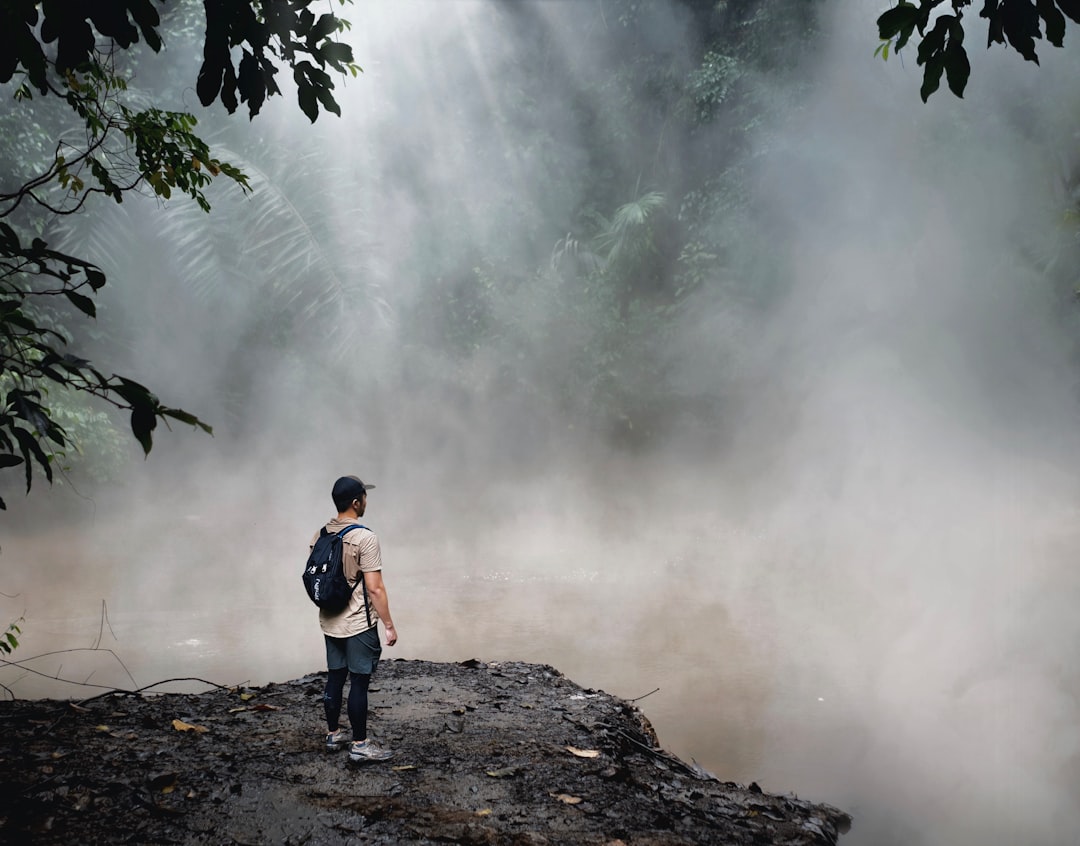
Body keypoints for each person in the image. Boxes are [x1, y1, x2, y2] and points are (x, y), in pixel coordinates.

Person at [312, 475, 398, 763]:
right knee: (359, 682)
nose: (366, 502)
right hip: (358, 623)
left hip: (329, 619)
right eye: (364, 497)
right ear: (356, 502)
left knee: (335, 677)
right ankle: (360, 745)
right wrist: (388, 624)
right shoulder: (365, 537)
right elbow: (375, 587)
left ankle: (333, 734)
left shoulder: (320, 534)